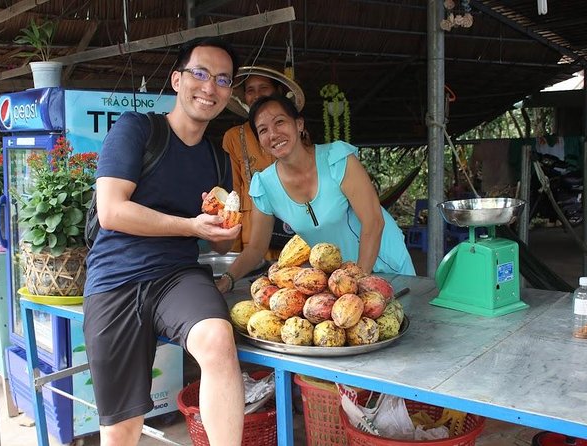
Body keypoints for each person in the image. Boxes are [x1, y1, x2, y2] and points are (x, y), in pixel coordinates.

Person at [83, 37, 244, 446]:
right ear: (177, 79)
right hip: (116, 277)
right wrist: (191, 226)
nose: (210, 87)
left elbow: (221, 245)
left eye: (223, 80)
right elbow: (112, 212)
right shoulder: (137, 129)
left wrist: (225, 230)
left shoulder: (216, 160)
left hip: (177, 276)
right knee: (122, 428)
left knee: (217, 339)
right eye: (200, 74)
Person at [217, 94, 415, 292]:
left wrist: (357, 282)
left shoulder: (336, 159)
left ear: (299, 124)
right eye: (263, 130)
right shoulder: (264, 185)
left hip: (384, 263)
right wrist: (227, 279)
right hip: (339, 279)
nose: (273, 134)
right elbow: (255, 249)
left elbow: (373, 221)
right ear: (260, 141)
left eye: (280, 122)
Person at [222, 66, 305, 259]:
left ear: (277, 92)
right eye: (250, 90)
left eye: (263, 88)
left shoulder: (293, 131)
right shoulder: (233, 137)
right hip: (251, 235)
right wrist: (233, 250)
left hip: (295, 233)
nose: (256, 95)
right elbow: (232, 193)